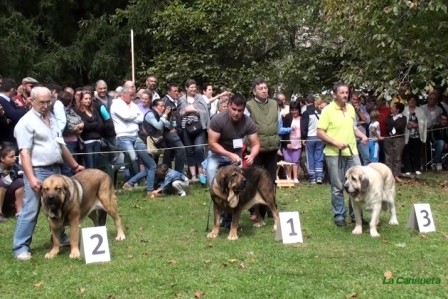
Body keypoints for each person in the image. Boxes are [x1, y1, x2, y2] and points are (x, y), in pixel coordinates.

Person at [13, 86, 85, 261]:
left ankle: (59, 237)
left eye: (48, 102)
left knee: (59, 206)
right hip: (38, 171)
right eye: (42, 102)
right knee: (31, 208)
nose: (46, 105)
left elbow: (61, 146)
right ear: (31, 101)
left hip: (56, 170)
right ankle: (20, 247)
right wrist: (31, 178)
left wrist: (75, 166)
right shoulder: (26, 123)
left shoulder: (51, 118)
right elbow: (24, 153)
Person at [317, 83, 368, 227]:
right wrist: (335, 142)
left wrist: (362, 135)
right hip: (334, 154)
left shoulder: (351, 108)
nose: (345, 95)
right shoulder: (327, 110)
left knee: (357, 184)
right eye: (342, 93)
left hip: (352, 152)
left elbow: (353, 128)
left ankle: (356, 216)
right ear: (334, 95)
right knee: (338, 186)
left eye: (347, 92)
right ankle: (339, 216)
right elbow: (320, 132)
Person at [207, 93, 260, 229]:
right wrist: (229, 154)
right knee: (215, 187)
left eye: (240, 110)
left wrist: (252, 155)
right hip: (217, 156)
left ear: (244, 109)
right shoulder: (218, 119)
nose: (236, 113)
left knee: (238, 187)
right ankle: (219, 218)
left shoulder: (248, 122)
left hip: (235, 158)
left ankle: (230, 220)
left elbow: (255, 144)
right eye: (233, 109)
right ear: (229, 105)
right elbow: (212, 143)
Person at [178, 79, 209, 182]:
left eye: (195, 87)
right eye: (191, 87)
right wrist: (185, 111)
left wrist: (195, 110)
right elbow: (179, 114)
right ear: (186, 88)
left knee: (199, 148)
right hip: (186, 128)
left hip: (199, 128)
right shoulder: (181, 99)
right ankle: (193, 175)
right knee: (189, 151)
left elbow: (205, 112)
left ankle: (201, 172)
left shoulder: (200, 98)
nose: (193, 89)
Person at [302, 95, 325, 184]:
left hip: (310, 137)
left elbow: (304, 127)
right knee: (319, 157)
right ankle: (319, 176)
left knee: (310, 157)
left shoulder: (306, 113)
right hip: (320, 136)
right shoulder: (320, 111)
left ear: (306, 102)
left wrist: (303, 138)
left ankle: (312, 178)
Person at [402, 95, 427, 176]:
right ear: (408, 101)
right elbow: (401, 120)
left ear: (416, 101)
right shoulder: (404, 110)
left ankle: (416, 168)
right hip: (407, 135)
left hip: (417, 135)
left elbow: (424, 121)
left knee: (416, 152)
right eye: (410, 100)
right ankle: (407, 169)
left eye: (413, 100)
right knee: (407, 152)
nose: (412, 101)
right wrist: (408, 124)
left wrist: (417, 125)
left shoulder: (420, 110)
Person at [280, 101, 303, 183]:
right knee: (288, 160)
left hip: (298, 142)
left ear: (299, 110)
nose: (294, 112)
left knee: (296, 160)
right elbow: (284, 131)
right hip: (288, 142)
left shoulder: (302, 118)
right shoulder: (287, 118)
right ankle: (289, 177)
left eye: (296, 110)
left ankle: (296, 177)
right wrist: (287, 142)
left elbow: (304, 130)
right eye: (292, 110)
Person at [0, 146, 24, 221]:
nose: (15, 158)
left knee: (20, 182)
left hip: (7, 197)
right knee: (1, 183)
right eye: (11, 157)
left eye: (14, 156)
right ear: (2, 159)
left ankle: (19, 212)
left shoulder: (15, 167)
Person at [384, 102, 407, 182]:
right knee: (388, 157)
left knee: (397, 157)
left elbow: (400, 126)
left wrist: (392, 124)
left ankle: (396, 175)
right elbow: (386, 122)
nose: (391, 107)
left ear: (397, 109)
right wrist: (394, 124)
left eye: (393, 107)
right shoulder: (389, 116)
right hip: (388, 138)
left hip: (398, 138)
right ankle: (389, 175)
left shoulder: (403, 118)